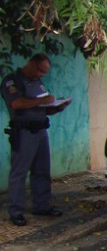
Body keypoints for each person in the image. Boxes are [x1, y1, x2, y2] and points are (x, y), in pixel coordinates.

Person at [2, 54, 70, 226]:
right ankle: (16, 211)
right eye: (40, 70)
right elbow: (17, 104)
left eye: (44, 73)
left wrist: (56, 107)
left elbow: (41, 108)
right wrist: (41, 100)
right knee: (19, 173)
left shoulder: (38, 83)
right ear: (31, 64)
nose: (41, 75)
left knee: (42, 171)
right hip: (24, 132)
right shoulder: (13, 81)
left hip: (40, 130)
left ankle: (41, 205)